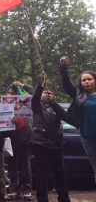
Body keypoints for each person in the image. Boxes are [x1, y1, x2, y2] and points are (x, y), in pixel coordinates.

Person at [31, 72, 70, 202]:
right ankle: (42, 199)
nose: (47, 94)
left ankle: (64, 198)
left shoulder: (56, 107)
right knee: (42, 174)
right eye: (45, 92)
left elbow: (65, 117)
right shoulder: (36, 106)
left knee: (60, 174)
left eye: (50, 93)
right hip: (40, 143)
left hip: (56, 144)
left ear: (54, 96)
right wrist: (40, 85)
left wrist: (54, 104)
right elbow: (34, 98)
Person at [59, 56, 96, 184]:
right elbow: (67, 84)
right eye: (83, 80)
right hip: (88, 136)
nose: (86, 82)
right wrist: (63, 68)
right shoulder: (78, 94)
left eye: (89, 79)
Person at [5, 81, 34, 201]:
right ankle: (13, 190)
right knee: (12, 167)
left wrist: (23, 85)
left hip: (24, 139)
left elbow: (35, 93)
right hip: (11, 139)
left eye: (12, 93)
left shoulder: (25, 104)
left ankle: (27, 189)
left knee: (25, 166)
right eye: (8, 93)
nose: (9, 95)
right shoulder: (5, 106)